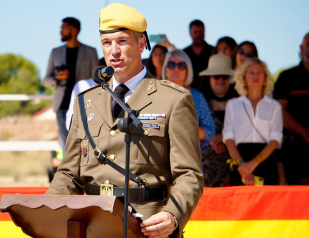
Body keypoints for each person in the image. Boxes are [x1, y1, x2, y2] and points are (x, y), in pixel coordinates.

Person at [46, 3, 203, 238]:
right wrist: (46, 212)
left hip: (149, 228)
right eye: (107, 43)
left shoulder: (173, 100)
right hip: (94, 227)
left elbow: (189, 175)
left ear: (141, 44)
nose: (113, 51)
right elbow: (69, 174)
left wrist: (172, 214)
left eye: (122, 41)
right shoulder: (84, 102)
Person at [223, 58, 283, 186]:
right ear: (244, 77)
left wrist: (253, 164)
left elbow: (275, 139)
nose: (255, 76)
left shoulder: (274, 106)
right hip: (239, 162)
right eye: (251, 73)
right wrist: (243, 167)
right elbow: (228, 138)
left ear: (265, 77)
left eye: (259, 72)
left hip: (265, 161)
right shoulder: (233, 105)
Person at [43, 17, 99, 151]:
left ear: (74, 30)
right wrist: (57, 77)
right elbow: (46, 80)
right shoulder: (55, 52)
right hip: (61, 105)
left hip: (83, 106)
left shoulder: (90, 52)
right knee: (66, 145)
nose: (60, 31)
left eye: (64, 28)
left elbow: (96, 79)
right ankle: (68, 172)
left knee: (85, 143)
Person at [273, 31, 309, 185]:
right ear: (301, 47)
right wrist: (305, 133)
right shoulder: (287, 77)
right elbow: (279, 111)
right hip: (296, 151)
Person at [161, 49, 215, 162]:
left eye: (181, 65)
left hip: (189, 162)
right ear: (165, 69)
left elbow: (210, 132)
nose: (176, 69)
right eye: (171, 65)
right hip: (160, 161)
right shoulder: (156, 94)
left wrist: (184, 127)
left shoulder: (197, 97)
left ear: (188, 70)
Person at [199, 54, 238, 187]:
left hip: (237, 171)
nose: (221, 80)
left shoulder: (240, 104)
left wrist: (224, 137)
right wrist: (213, 139)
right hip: (206, 174)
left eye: (225, 76)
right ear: (209, 79)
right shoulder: (200, 103)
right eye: (216, 76)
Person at [183, 19, 214, 90]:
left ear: (204, 32)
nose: (198, 35)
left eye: (201, 32)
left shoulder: (213, 51)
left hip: (211, 93)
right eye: (195, 32)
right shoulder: (184, 53)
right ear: (190, 33)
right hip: (190, 93)